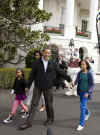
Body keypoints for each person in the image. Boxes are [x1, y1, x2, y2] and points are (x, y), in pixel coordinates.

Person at [19, 48, 72, 130]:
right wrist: (28, 86)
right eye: (46, 53)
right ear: (43, 53)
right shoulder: (36, 62)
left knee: (49, 104)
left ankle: (50, 119)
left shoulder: (53, 63)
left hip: (48, 87)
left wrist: (69, 79)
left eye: (49, 53)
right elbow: (32, 75)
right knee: (34, 104)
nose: (47, 54)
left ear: (50, 54)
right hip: (38, 86)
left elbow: (60, 71)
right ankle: (28, 123)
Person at [22, 50, 45, 118]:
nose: (36, 56)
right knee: (30, 93)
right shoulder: (34, 62)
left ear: (40, 56)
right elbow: (32, 73)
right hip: (34, 81)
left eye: (37, 55)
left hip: (41, 81)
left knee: (42, 95)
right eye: (35, 55)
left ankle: (43, 105)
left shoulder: (43, 62)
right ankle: (26, 107)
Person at [73, 60, 94, 131]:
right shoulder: (79, 73)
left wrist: (88, 92)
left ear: (87, 65)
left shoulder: (89, 74)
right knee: (83, 106)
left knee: (82, 107)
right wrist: (73, 84)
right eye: (81, 65)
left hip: (86, 93)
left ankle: (81, 124)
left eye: (84, 64)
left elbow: (92, 84)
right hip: (80, 92)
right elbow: (76, 81)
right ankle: (87, 113)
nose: (82, 66)